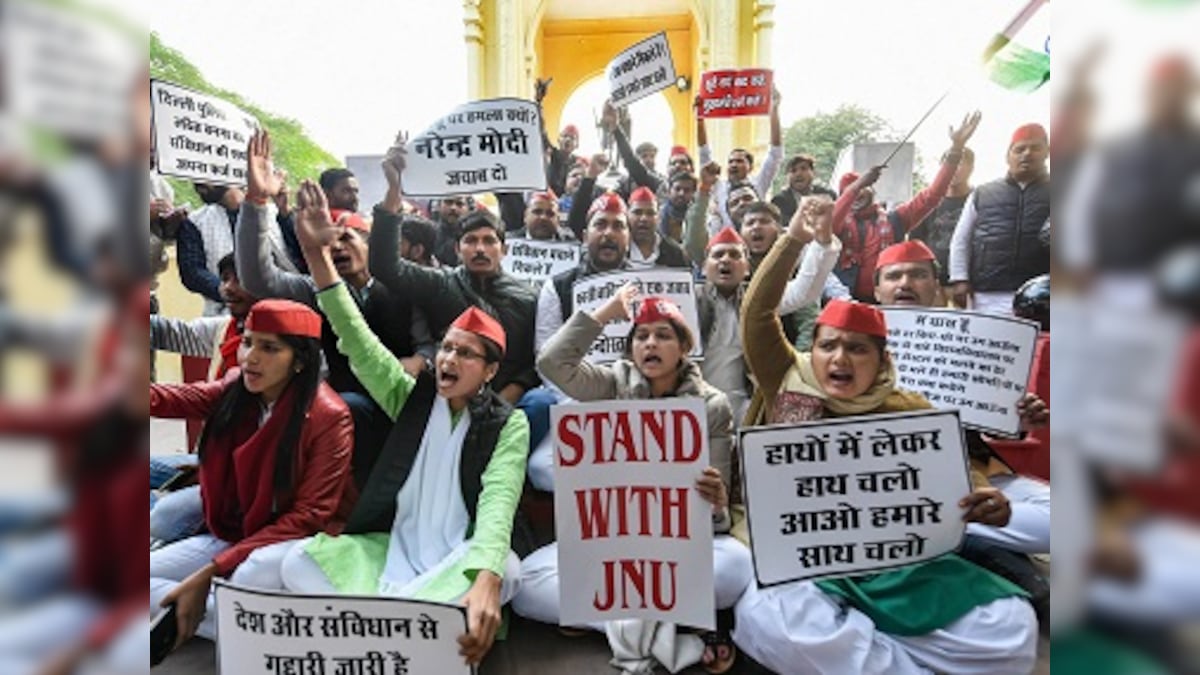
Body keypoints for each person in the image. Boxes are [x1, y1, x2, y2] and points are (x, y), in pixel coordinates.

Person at [732, 203, 1038, 674]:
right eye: (828, 346)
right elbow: (757, 313)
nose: (840, 359)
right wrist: (792, 238)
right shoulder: (786, 379)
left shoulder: (909, 406)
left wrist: (985, 498)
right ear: (810, 351)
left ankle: (867, 653)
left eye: (856, 349)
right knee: (768, 615)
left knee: (1011, 626)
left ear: (880, 360)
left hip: (893, 563)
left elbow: (952, 474)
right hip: (805, 559)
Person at [280, 180, 529, 667]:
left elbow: (499, 499)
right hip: (393, 548)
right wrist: (316, 257)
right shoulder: (409, 397)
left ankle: (381, 628)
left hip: (458, 556)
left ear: (491, 370)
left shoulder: (508, 424)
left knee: (508, 570)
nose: (451, 358)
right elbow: (356, 338)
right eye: (448, 348)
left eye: (466, 353)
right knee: (297, 563)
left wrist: (485, 577)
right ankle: (405, 629)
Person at [514, 290, 752, 675]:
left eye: (663, 335)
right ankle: (663, 628)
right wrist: (607, 312)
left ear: (684, 346)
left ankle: (619, 619)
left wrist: (718, 501)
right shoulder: (611, 385)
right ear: (631, 349)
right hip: (613, 547)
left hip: (677, 548)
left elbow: (714, 517)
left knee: (736, 567)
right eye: (641, 336)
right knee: (525, 585)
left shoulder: (712, 405)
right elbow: (552, 362)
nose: (651, 344)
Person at [149, 298, 356, 650]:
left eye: (269, 348)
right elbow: (176, 398)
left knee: (248, 573)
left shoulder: (330, 415)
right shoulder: (236, 387)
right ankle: (258, 626)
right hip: (238, 530)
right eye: (247, 342)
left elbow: (309, 517)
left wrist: (212, 570)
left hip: (294, 541)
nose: (250, 357)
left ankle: (233, 613)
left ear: (300, 360)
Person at [874, 241, 1051, 620]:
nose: (906, 282)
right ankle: (992, 558)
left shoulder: (975, 339)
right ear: (877, 290)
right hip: (893, 488)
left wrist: (1020, 419)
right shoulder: (851, 343)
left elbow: (994, 424)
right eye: (894, 275)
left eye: (918, 274)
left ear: (936, 286)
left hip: (975, 477)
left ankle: (964, 541)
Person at [374, 133, 540, 407]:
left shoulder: (529, 296)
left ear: (505, 249)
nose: (479, 249)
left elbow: (535, 359)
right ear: (456, 250)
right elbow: (386, 267)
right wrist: (394, 190)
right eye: (471, 241)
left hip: (511, 405)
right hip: (450, 401)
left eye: (489, 241)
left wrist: (510, 396)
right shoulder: (441, 284)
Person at [149, 253, 258, 546]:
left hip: (241, 476)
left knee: (163, 518)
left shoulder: (283, 347)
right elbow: (170, 332)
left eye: (240, 280)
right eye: (224, 279)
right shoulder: (224, 328)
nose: (228, 288)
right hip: (210, 460)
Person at [833, 111, 981, 302]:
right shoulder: (837, 226)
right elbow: (830, 220)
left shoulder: (894, 219)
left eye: (864, 188)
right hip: (844, 302)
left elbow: (931, 197)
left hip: (891, 304)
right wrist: (855, 186)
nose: (858, 194)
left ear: (873, 190)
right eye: (852, 191)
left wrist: (956, 149)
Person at [949, 123, 1051, 314]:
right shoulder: (983, 193)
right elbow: (961, 239)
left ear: (1047, 152)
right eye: (1019, 149)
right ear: (1008, 156)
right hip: (988, 293)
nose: (1027, 154)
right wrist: (959, 279)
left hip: (1043, 295)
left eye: (1035, 148)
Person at [177, 181, 288, 317]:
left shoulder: (275, 214)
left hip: (279, 314)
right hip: (222, 319)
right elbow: (192, 273)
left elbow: (294, 262)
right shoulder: (194, 221)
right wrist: (228, 290)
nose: (198, 182)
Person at [696, 89, 784, 230]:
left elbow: (775, 153)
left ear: (750, 167)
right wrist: (699, 119)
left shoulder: (759, 183)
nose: (733, 165)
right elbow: (704, 153)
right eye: (730, 162)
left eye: (739, 161)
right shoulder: (718, 186)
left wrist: (774, 110)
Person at [908, 147, 975, 288]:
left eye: (960, 163)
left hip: (969, 281)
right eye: (950, 163)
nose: (955, 169)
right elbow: (915, 242)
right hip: (933, 281)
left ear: (971, 168)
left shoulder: (979, 200)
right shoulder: (928, 201)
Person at [626, 186, 690, 270]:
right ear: (627, 215)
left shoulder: (675, 253)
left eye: (650, 213)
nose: (644, 218)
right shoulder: (617, 251)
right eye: (637, 212)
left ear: (658, 217)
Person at [771, 153, 838, 224]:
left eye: (803, 169)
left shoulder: (827, 195)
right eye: (793, 171)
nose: (798, 174)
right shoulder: (780, 201)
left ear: (813, 173)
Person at [431, 194, 471, 267]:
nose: (453, 208)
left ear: (468, 209)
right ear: (439, 206)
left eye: (459, 204)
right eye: (448, 202)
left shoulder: (474, 236)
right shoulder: (429, 234)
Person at [659, 170, 697, 243]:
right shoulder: (658, 216)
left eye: (687, 190)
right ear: (669, 191)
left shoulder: (698, 217)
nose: (681, 193)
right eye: (677, 189)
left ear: (693, 193)